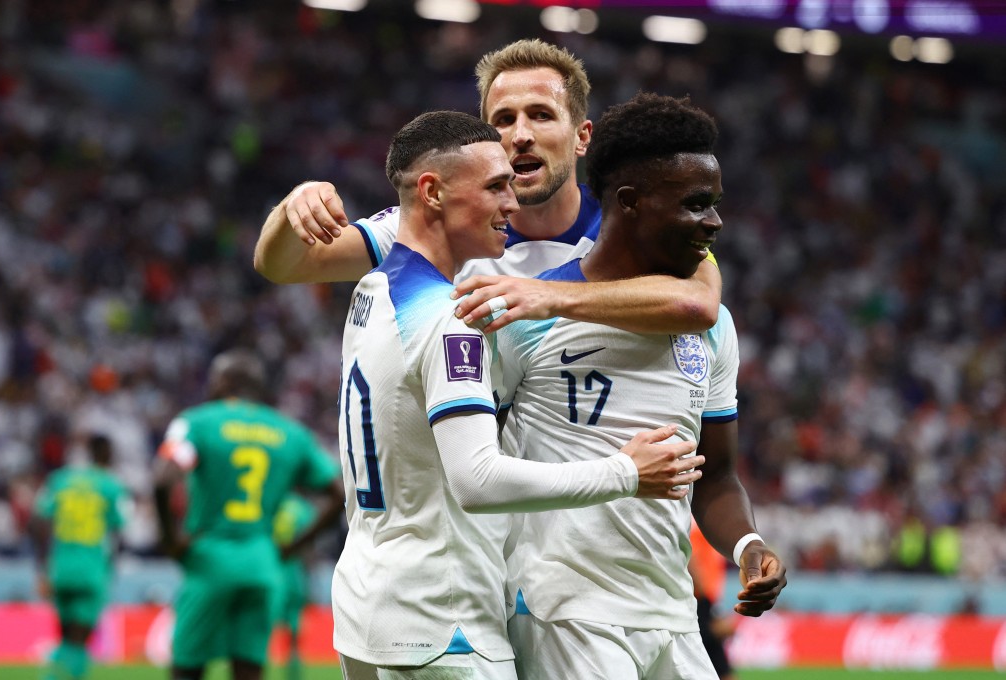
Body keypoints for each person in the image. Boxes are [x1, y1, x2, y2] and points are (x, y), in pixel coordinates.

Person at [333, 109, 705, 680]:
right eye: (494, 187)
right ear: (431, 193)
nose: (512, 203)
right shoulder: (451, 320)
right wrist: (626, 472)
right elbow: (478, 480)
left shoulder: (371, 290)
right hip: (444, 623)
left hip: (366, 606)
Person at [496, 92, 787, 679]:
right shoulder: (526, 316)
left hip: (672, 613)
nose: (715, 221)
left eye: (715, 204)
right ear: (629, 203)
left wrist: (748, 545)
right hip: (563, 613)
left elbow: (718, 475)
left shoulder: (712, 324)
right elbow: (476, 470)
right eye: (695, 204)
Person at [253, 39, 721, 336]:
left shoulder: (630, 226)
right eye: (503, 119)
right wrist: (294, 205)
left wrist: (547, 296)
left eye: (540, 114)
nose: (520, 135)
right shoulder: (438, 228)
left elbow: (698, 303)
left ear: (582, 137)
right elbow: (283, 265)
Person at [153, 349, 346, 680]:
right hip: (263, 562)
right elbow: (339, 494)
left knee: (186, 667)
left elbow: (162, 480)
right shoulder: (289, 432)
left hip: (209, 558)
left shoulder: (198, 422)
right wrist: (294, 547)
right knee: (248, 669)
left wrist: (171, 541)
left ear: (226, 381)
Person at [30, 433, 130, 680]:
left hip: (60, 568)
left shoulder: (59, 480)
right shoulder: (110, 485)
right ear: (108, 456)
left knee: (66, 637)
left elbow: (38, 522)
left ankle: (56, 674)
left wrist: (42, 568)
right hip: (91, 568)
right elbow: (119, 531)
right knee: (79, 641)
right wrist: (112, 567)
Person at [271, 492, 318, 680]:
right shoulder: (303, 509)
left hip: (272, 570)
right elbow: (311, 542)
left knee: (262, 628)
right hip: (294, 572)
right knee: (294, 633)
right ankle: (293, 674)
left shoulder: (271, 502)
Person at [689, 520, 737, 680]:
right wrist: (711, 609)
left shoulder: (705, 529)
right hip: (697, 602)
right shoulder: (696, 525)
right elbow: (690, 559)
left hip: (702, 601)